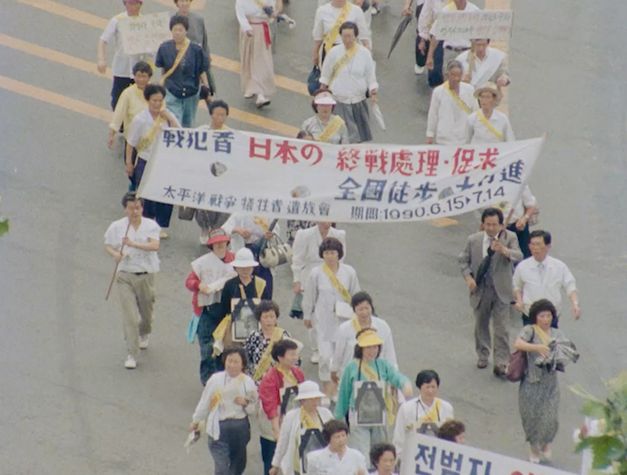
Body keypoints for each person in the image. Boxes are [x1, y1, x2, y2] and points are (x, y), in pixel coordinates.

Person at [458, 207, 522, 377]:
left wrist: (504, 250)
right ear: (483, 224)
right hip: (481, 289)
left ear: (501, 225)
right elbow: (463, 260)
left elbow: (519, 256)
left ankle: (501, 362)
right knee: (481, 325)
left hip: (502, 290)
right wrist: (469, 279)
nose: (491, 228)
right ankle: (483, 354)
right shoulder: (474, 240)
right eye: (488, 224)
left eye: (495, 224)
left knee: (502, 328)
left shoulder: (510, 238)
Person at [335, 329, 413, 461]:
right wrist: (337, 418)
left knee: (379, 454)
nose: (372, 350)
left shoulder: (383, 365)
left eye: (375, 347)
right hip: (358, 417)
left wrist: (405, 384)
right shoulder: (352, 367)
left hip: (379, 416)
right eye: (368, 347)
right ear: (361, 348)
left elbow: (396, 377)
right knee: (362, 454)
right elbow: (344, 394)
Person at [104, 192, 160, 369]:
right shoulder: (117, 227)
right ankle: (131, 352)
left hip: (146, 274)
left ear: (142, 208)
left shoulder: (151, 225)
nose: (135, 211)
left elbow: (154, 246)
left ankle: (145, 332)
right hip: (125, 275)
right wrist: (115, 254)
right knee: (129, 316)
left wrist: (133, 244)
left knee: (146, 312)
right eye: (131, 208)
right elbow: (107, 244)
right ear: (125, 209)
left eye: (138, 207)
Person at [303, 237, 360, 398]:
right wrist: (307, 315)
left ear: (338, 254)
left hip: (345, 320)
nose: (330, 256)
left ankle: (338, 388)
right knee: (325, 355)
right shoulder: (316, 273)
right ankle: (326, 389)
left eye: (333, 252)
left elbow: (356, 293)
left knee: (341, 356)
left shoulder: (349, 272)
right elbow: (310, 296)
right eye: (327, 253)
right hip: (323, 320)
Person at [514, 299, 569, 464]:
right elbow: (517, 343)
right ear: (535, 317)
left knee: (550, 417)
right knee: (531, 417)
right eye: (542, 316)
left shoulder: (557, 334)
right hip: (531, 381)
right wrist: (537, 348)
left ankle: (545, 442)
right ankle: (533, 447)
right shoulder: (529, 330)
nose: (546, 319)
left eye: (549, 315)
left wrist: (557, 358)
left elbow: (566, 353)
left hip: (550, 384)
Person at [189, 347, 258, 475]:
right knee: (221, 467)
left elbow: (253, 409)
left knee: (238, 463)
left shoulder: (248, 383)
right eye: (229, 361)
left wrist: (245, 403)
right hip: (218, 425)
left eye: (236, 362)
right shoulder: (215, 379)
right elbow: (205, 402)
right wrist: (196, 420)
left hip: (239, 426)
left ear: (242, 364)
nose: (232, 365)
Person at [125, 84, 180, 238]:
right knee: (146, 194)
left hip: (165, 161)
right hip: (145, 160)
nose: (157, 104)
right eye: (154, 100)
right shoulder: (140, 119)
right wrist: (129, 162)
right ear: (148, 100)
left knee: (165, 194)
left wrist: (168, 116)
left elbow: (180, 133)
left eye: (160, 101)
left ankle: (160, 225)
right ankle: (147, 223)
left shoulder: (167, 117)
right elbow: (131, 143)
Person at [185, 229, 237, 385]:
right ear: (212, 246)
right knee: (207, 349)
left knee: (226, 348)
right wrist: (199, 285)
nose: (220, 246)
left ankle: (223, 379)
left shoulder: (235, 260)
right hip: (207, 310)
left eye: (223, 243)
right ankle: (208, 382)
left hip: (228, 312)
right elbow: (189, 282)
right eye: (216, 244)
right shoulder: (202, 263)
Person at [291, 222, 347, 363]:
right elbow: (297, 258)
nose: (326, 222)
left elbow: (342, 258)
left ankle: (331, 346)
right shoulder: (304, 234)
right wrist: (297, 280)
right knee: (312, 316)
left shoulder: (339, 234)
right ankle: (316, 349)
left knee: (332, 314)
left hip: (331, 278)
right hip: (309, 276)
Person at [319, 22, 378, 143]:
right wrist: (321, 95)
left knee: (359, 138)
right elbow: (325, 75)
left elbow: (370, 76)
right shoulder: (334, 53)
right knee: (338, 137)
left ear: (356, 36)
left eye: (350, 36)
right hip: (339, 100)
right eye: (344, 36)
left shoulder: (364, 54)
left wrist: (373, 92)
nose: (347, 39)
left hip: (358, 101)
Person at [513, 230, 580, 327]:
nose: (535, 248)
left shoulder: (559, 266)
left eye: (539, 244)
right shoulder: (522, 266)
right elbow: (517, 286)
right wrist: (519, 301)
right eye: (533, 244)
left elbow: (570, 286)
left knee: (549, 341)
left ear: (548, 246)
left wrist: (575, 304)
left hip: (551, 316)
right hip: (530, 315)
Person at [212, 247, 272, 355]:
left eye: (248, 267)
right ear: (236, 267)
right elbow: (223, 309)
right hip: (234, 330)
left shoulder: (261, 284)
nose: (245, 270)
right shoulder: (229, 285)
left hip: (257, 330)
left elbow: (268, 308)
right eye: (241, 267)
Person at [259, 339, 305, 475]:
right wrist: (276, 430)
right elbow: (270, 405)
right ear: (280, 357)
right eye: (291, 354)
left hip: (293, 421)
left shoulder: (297, 373)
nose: (295, 358)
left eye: (295, 354)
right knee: (272, 461)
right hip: (274, 425)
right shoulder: (270, 378)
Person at [155, 15, 210, 127]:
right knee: (174, 122)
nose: (177, 33)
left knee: (188, 124)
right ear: (171, 31)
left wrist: (206, 86)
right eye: (175, 29)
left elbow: (201, 70)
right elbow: (163, 70)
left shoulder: (196, 49)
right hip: (172, 91)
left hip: (191, 93)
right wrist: (161, 86)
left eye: (181, 30)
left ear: (186, 31)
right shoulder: (164, 48)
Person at [332, 291, 397, 384]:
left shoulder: (383, 326)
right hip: (352, 376)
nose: (364, 312)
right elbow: (339, 352)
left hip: (377, 376)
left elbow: (390, 353)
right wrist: (334, 369)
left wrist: (393, 375)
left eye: (367, 308)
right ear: (354, 310)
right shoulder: (345, 329)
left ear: (372, 307)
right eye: (360, 309)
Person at [269, 381, 334, 475]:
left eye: (316, 398)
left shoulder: (326, 414)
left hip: (323, 467)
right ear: (302, 400)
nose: (315, 402)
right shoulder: (291, 417)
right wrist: (276, 465)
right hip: (299, 467)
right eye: (311, 399)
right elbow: (283, 442)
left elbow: (335, 436)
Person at [97, 0, 150, 110]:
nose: (133, 6)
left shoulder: (145, 22)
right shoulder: (117, 20)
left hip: (139, 69)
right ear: (125, 4)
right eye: (130, 3)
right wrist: (101, 59)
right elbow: (103, 40)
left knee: (139, 101)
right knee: (118, 100)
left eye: (136, 3)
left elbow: (151, 45)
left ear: (140, 5)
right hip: (122, 69)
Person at [194, 100, 231, 245]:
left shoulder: (230, 134)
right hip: (204, 175)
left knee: (221, 205)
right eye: (217, 114)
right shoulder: (202, 131)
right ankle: (204, 228)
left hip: (222, 176)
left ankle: (216, 229)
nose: (220, 118)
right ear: (211, 115)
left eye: (223, 115)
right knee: (203, 204)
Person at [393, 369, 454, 456]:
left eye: (433, 387)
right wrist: (399, 454)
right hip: (414, 454)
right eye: (427, 387)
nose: (430, 391)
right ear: (420, 387)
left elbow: (451, 435)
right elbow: (399, 435)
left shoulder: (446, 407)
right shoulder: (407, 408)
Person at [235, 0, 280, 108]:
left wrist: (273, 14)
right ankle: (250, 86)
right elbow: (240, 15)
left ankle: (260, 93)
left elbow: (272, 12)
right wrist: (247, 28)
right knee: (248, 58)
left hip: (262, 30)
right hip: (249, 31)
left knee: (261, 61)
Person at [221, 213, 278, 298]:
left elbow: (276, 230)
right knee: (243, 283)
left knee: (265, 284)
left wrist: (271, 235)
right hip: (244, 251)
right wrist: (238, 230)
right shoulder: (240, 212)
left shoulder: (267, 211)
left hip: (263, 252)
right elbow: (224, 229)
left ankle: (264, 307)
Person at [425, 0, 480, 85]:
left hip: (466, 52)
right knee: (448, 83)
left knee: (466, 81)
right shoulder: (446, 11)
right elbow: (436, 35)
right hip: (449, 51)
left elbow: (480, 36)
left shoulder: (475, 11)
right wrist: (430, 56)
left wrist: (475, 54)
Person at [172, 0, 217, 101]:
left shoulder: (198, 19)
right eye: (181, 1)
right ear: (176, 3)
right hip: (181, 63)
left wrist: (207, 57)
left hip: (198, 61)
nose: (184, 4)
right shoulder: (173, 20)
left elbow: (204, 41)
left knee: (207, 93)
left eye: (187, 1)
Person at [425, 59, 476, 145]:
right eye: (453, 75)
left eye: (459, 75)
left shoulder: (469, 90)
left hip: (464, 137)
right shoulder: (438, 91)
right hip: (444, 137)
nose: (456, 78)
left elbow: (475, 112)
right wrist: (430, 134)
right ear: (447, 75)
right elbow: (433, 114)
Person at [107, 61, 152, 155]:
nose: (141, 79)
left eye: (144, 76)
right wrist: (112, 134)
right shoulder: (127, 93)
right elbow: (119, 114)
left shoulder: (154, 92)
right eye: (138, 76)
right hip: (132, 139)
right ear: (134, 76)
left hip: (149, 139)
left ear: (149, 77)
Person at [312, 0, 370, 67]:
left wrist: (366, 59)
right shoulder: (321, 11)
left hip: (350, 52)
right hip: (329, 52)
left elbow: (364, 39)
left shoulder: (356, 11)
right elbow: (318, 38)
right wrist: (315, 53)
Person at [244, 300, 292, 381]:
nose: (269, 320)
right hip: (257, 379)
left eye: (272, 316)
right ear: (259, 319)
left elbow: (294, 359)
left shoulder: (284, 336)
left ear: (276, 318)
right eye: (265, 317)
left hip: (279, 379)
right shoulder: (253, 336)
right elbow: (245, 359)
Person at [409, 0, 443, 83]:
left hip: (445, 37)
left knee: (436, 68)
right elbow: (425, 17)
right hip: (433, 32)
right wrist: (423, 39)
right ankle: (420, 62)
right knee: (421, 57)